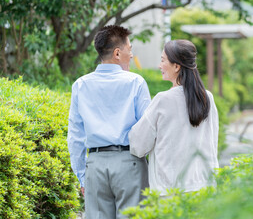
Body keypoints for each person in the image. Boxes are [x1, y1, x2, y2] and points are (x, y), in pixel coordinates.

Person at [67, 25, 150, 219]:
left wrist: (82, 176)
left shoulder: (81, 85)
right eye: (129, 49)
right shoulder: (136, 82)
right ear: (117, 53)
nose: (131, 54)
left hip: (95, 166)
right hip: (130, 163)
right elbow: (148, 130)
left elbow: (75, 136)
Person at [129, 39, 219, 195]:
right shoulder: (207, 98)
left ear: (176, 66)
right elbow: (213, 140)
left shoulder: (163, 100)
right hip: (205, 187)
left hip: (170, 191)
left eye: (163, 60)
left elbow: (138, 145)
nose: (159, 65)